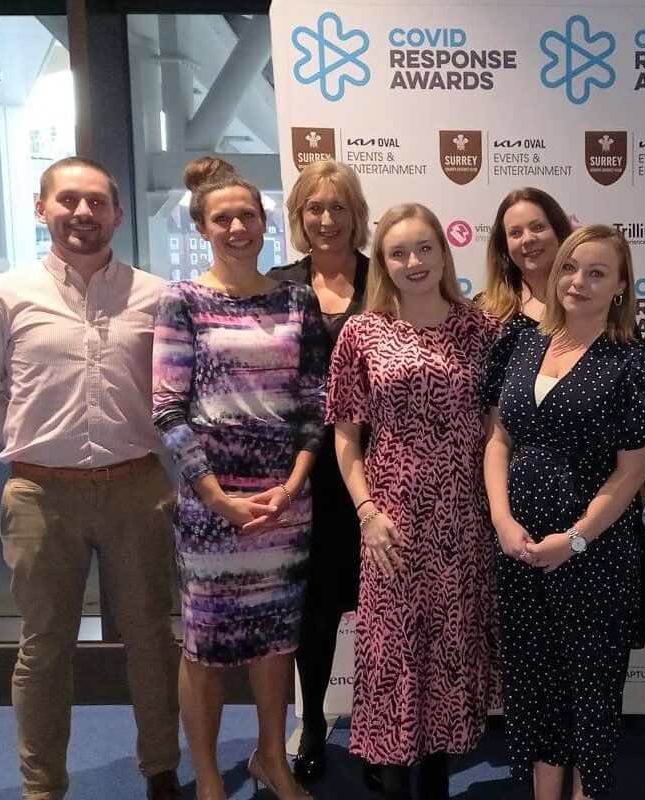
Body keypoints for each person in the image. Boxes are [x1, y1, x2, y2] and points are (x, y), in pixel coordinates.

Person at [0, 156, 182, 800]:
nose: (82, 213)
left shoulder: (158, 295)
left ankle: (161, 768)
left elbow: (172, 390)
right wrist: (38, 445)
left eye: (96, 202)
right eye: (68, 201)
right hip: (40, 495)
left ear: (117, 212)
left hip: (137, 488)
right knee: (45, 646)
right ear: (42, 208)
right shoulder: (1, 294)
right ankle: (42, 786)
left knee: (150, 638)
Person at [152, 156, 326, 800]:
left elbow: (316, 403)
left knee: (276, 641)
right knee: (205, 646)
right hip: (210, 507)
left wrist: (294, 484)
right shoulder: (182, 301)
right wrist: (216, 497)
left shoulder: (296, 299)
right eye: (222, 217)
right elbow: (167, 409)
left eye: (247, 215)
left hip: (286, 503)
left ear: (265, 222)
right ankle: (206, 780)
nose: (237, 227)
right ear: (203, 227)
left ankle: (271, 760)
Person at [482, 224, 645, 800]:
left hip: (595, 555)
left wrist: (576, 538)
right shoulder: (520, 343)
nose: (579, 281)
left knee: (589, 690)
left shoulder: (634, 363)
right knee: (535, 685)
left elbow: (631, 472)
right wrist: (501, 520)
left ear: (620, 286)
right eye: (571, 268)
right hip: (519, 548)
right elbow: (498, 440)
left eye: (597, 272)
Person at [325, 202, 502, 800]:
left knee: (451, 652)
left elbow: (497, 428)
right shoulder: (362, 332)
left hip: (463, 520)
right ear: (383, 261)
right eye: (398, 252)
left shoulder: (480, 329)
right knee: (392, 656)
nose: (413, 262)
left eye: (425, 248)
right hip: (390, 521)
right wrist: (367, 514)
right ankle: (394, 783)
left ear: (444, 253)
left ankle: (435, 786)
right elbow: (346, 437)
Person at [264, 160, 371, 784]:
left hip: (377, 466)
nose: (327, 220)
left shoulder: (384, 278)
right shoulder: (279, 285)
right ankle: (312, 722)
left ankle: (387, 732)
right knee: (315, 609)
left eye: (339, 208)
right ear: (299, 216)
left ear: (357, 214)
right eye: (314, 209)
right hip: (302, 470)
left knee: (384, 603)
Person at [477, 186, 575, 329]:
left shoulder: (587, 300)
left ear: (559, 232)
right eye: (516, 233)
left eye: (538, 227)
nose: (528, 239)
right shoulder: (484, 311)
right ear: (504, 245)